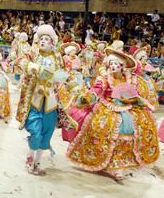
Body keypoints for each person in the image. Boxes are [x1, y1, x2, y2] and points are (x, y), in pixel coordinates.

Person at [65, 47, 159, 183]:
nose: (113, 66)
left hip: (127, 108)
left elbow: (136, 95)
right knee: (101, 129)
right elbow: (96, 91)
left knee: (136, 130)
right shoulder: (104, 79)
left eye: (116, 64)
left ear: (122, 66)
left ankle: (119, 167)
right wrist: (88, 97)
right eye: (111, 64)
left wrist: (130, 100)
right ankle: (104, 160)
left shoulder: (130, 80)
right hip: (107, 108)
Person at [14, 24, 81, 176]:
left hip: (50, 103)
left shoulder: (58, 58)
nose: (43, 41)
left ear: (52, 42)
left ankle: (37, 162)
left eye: (47, 39)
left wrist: (76, 91)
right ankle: (30, 159)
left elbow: (66, 77)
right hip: (34, 101)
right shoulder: (32, 53)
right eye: (40, 38)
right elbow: (18, 63)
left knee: (46, 135)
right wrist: (36, 68)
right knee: (35, 133)